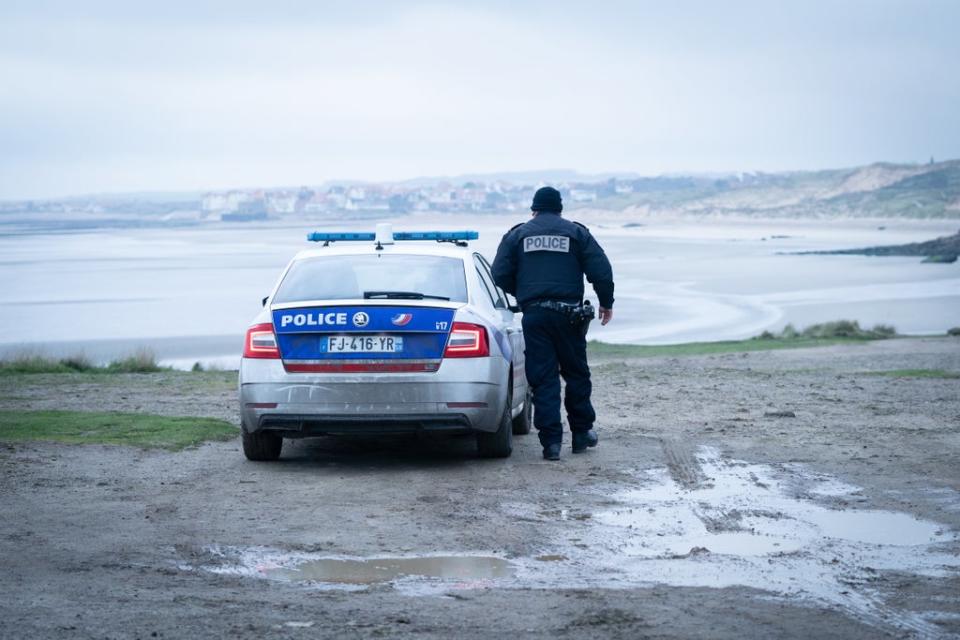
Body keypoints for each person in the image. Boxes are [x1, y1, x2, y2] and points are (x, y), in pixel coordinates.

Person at [491, 186, 614, 460]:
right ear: (560, 208)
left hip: (535, 315)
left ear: (533, 209)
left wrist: (524, 293)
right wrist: (606, 302)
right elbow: (601, 270)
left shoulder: (518, 234)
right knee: (576, 374)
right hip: (570, 316)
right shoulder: (576, 232)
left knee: (544, 378)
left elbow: (498, 274)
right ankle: (581, 434)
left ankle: (551, 445)